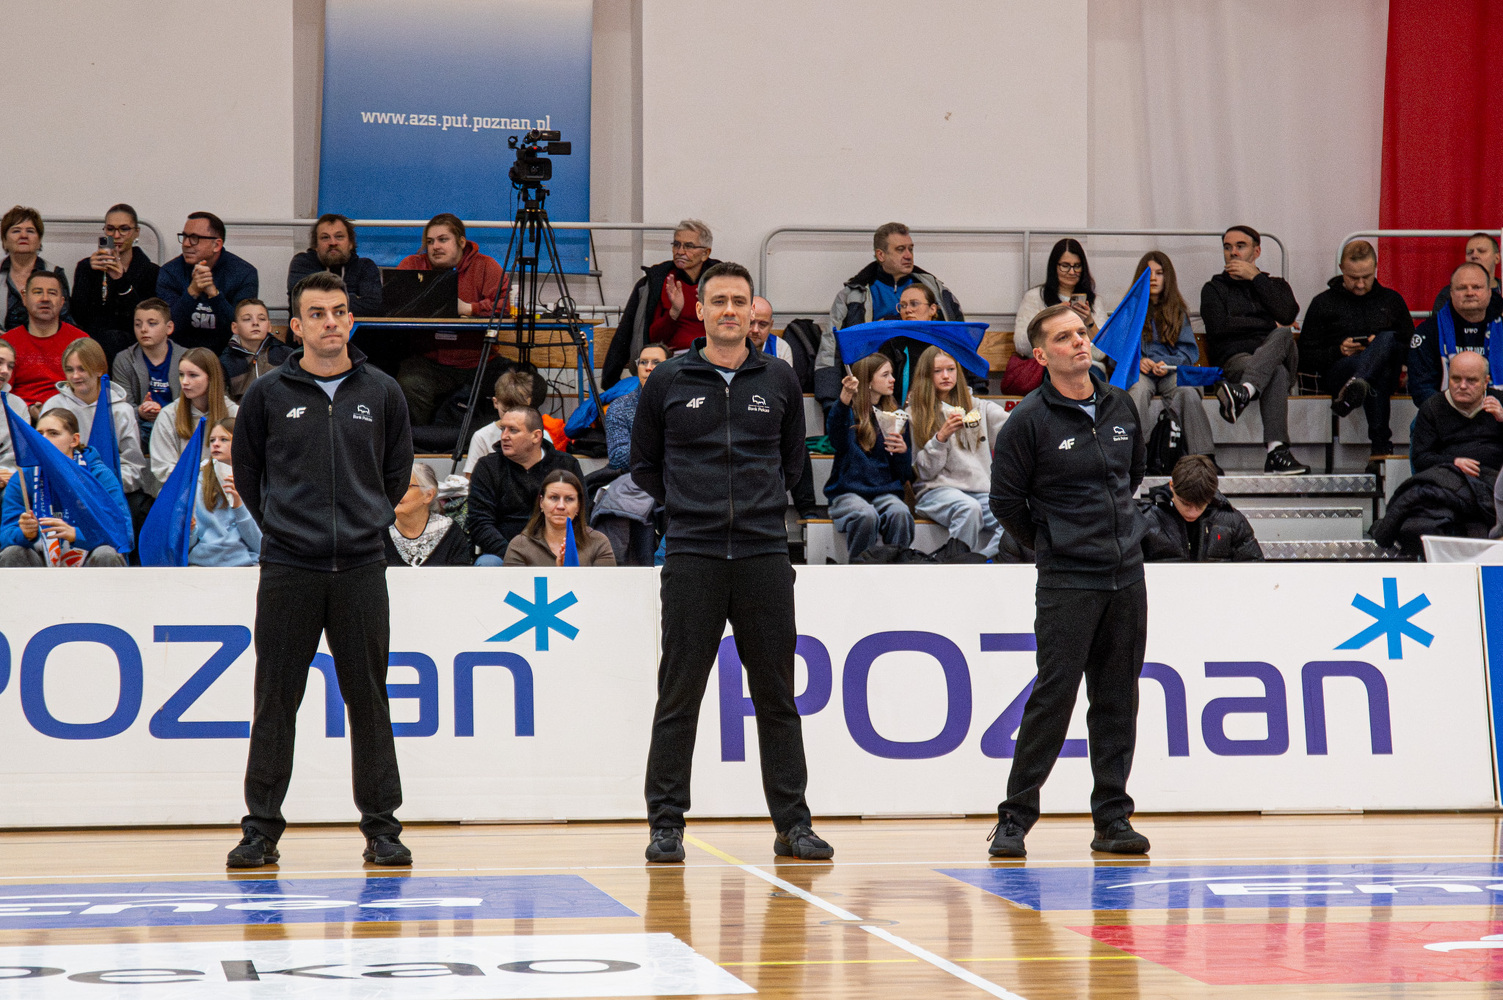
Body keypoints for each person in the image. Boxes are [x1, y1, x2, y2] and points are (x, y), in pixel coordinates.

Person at [631, 260, 830, 863]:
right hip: (692, 553)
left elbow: (792, 465)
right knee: (679, 694)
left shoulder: (778, 379)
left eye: (739, 302)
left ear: (752, 312)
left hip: (763, 553)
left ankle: (793, 825)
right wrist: (690, 507)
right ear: (700, 310)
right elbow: (645, 465)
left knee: (777, 696)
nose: (728, 311)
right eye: (718, 301)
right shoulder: (668, 379)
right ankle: (666, 825)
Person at [228, 270, 414, 869]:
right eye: (317, 313)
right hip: (289, 567)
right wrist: (286, 527)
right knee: (275, 700)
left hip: (362, 566)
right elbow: (249, 475)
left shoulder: (383, 392)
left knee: (370, 700)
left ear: (350, 320)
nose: (330, 322)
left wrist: (363, 522)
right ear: (297, 326)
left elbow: (395, 475)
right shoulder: (266, 394)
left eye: (338, 311)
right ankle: (260, 831)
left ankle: (383, 829)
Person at [987, 301, 1150, 859]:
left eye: (1082, 333)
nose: (1079, 342)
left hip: (1126, 575)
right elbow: (1006, 502)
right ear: (1041, 355)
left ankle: (1112, 819)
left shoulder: (1120, 404)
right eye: (1064, 337)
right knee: (1053, 698)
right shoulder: (1028, 420)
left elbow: (1132, 476)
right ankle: (1014, 819)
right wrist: (1054, 541)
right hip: (1067, 579)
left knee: (1117, 699)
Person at [816, 222, 969, 407]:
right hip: (869, 387)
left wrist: (975, 388)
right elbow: (830, 347)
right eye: (900, 249)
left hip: (928, 384)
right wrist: (830, 401)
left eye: (910, 249)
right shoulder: (853, 295)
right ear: (881, 255)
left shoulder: (936, 291)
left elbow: (962, 341)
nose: (908, 255)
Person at [1203, 225, 1308, 475]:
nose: (1233, 252)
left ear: (1257, 251)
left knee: (1283, 334)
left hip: (1279, 354)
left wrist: (1257, 279)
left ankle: (1243, 392)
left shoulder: (1276, 285)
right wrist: (1269, 323)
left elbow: (1287, 315)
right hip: (1238, 361)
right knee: (1276, 372)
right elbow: (1219, 327)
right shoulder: (1213, 289)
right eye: (1227, 247)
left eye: (1240, 246)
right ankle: (1276, 452)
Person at [1297, 240, 1413, 456]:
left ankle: (1358, 384)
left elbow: (1410, 347)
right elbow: (1305, 356)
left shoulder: (1392, 300)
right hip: (1341, 371)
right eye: (1353, 277)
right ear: (1341, 269)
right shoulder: (1323, 303)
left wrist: (1379, 347)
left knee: (1387, 339)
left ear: (1376, 267)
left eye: (1366, 277)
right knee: (1378, 371)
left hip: (1386, 372)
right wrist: (1339, 350)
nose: (1360, 284)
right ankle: (1380, 447)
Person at [394, 213, 508, 425]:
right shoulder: (412, 265)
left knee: (524, 384)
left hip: (479, 362)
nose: (435, 246)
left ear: (461, 242)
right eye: (430, 241)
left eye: (443, 239)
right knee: (409, 384)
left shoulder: (486, 266)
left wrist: (470, 308)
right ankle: (417, 441)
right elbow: (393, 304)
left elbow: (506, 306)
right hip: (429, 362)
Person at [908, 345, 1009, 557]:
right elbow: (924, 472)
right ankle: (957, 565)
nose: (946, 376)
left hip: (980, 490)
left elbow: (1015, 429)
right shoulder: (915, 413)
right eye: (937, 371)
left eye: (951, 369)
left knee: (1011, 514)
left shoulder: (979, 407)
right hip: (936, 491)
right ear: (926, 375)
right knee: (968, 509)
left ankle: (981, 560)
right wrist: (941, 438)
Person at [0, 409, 129, 567]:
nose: (43, 439)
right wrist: (25, 533)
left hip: (88, 559)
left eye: (53, 433)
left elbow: (123, 533)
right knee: (12, 552)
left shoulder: (99, 475)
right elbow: (5, 536)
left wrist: (77, 535)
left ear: (74, 440)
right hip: (40, 562)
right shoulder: (23, 476)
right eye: (39, 434)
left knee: (106, 553)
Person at [601, 221, 720, 388]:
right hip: (670, 363)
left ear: (705, 253)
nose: (680, 251)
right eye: (676, 244)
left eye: (688, 246)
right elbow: (648, 338)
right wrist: (674, 312)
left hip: (713, 362)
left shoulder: (722, 282)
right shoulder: (656, 282)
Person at [1124, 251, 1217, 464]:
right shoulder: (1130, 310)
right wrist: (1138, 361)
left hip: (1169, 372)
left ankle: (1203, 457)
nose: (1154, 278)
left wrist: (1168, 364)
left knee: (1188, 392)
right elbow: (1118, 353)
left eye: (1159, 273)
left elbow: (1189, 352)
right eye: (1149, 273)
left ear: (1168, 277)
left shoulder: (1177, 311)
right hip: (1141, 372)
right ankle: (1136, 458)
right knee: (1137, 391)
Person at [825, 353, 914, 559]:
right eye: (885, 375)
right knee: (866, 515)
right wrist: (845, 398)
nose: (893, 379)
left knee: (900, 513)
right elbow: (836, 439)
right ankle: (860, 569)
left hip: (885, 493)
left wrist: (902, 453)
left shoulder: (896, 416)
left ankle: (898, 568)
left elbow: (903, 475)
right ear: (868, 381)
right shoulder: (846, 413)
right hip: (847, 493)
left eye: (891, 374)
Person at [468, 405, 583, 565]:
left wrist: (557, 553)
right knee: (487, 563)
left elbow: (582, 515)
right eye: (503, 429)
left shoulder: (566, 464)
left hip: (557, 552)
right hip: (503, 555)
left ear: (536, 436)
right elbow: (479, 522)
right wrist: (514, 556)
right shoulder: (488, 466)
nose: (504, 436)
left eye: (513, 430)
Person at [39, 338, 148, 500]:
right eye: (69, 370)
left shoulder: (121, 411)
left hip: (109, 493)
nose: (75, 376)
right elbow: (43, 454)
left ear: (99, 370)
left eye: (82, 369)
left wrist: (103, 485)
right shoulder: (53, 406)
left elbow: (134, 467)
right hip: (62, 491)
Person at [1007, 238, 1108, 394]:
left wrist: (1088, 322)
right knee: (1056, 378)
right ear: (1054, 267)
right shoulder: (1035, 297)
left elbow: (1100, 354)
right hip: (1049, 365)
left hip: (1086, 367)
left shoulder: (1095, 302)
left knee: (1092, 378)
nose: (1072, 272)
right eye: (1065, 266)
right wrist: (1049, 317)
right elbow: (1022, 346)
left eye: (1077, 266)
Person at [69, 204, 160, 366]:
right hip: (95, 345)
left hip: (135, 345)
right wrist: (89, 273)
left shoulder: (151, 271)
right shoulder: (87, 267)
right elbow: (79, 315)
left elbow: (145, 318)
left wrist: (121, 280)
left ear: (136, 232)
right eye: (110, 229)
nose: (116, 235)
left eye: (124, 229)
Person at [156, 212, 259, 353]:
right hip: (179, 354)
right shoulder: (170, 272)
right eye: (184, 236)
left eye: (195, 238)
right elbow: (167, 326)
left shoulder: (244, 273)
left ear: (217, 245)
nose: (186, 244)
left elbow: (242, 327)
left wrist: (214, 295)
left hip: (228, 354)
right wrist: (192, 292)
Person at [1409, 262, 1503, 409]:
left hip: (1497, 410)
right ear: (1451, 292)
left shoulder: (1501, 328)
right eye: (1462, 288)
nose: (1469, 293)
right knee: (1421, 420)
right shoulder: (1428, 331)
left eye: (1476, 287)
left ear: (1489, 292)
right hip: (1443, 413)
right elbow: (1421, 388)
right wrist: (1454, 413)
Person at [1141, 454, 1261, 562]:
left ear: (1211, 496)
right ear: (1172, 486)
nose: (1192, 513)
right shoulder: (1145, 520)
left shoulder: (1233, 522)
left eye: (1201, 505)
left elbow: (1254, 569)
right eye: (1185, 504)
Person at [149, 348, 236, 492]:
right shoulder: (169, 415)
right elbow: (163, 468)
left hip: (225, 490)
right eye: (181, 375)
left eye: (193, 375)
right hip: (181, 493)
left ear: (211, 378)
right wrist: (202, 482)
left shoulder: (234, 413)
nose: (185, 382)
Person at [4, 271, 90, 413]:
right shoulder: (7, 344)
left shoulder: (81, 342)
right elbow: (3, 394)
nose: (45, 299)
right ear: (24, 298)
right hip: (19, 418)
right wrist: (28, 410)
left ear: (62, 302)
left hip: (71, 417)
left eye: (52, 293)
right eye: (38, 292)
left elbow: (89, 392)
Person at [1411, 351, 1503, 476]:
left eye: (1471, 380)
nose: (1463, 386)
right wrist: (1453, 463)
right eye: (1456, 379)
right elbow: (1420, 459)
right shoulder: (1432, 407)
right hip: (1448, 479)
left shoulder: (1500, 401)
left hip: (1495, 479)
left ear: (1485, 382)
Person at [504, 469, 616, 566]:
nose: (561, 506)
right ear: (541, 502)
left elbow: (605, 584)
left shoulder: (598, 542)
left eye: (569, 499)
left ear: (578, 506)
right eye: (554, 498)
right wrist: (558, 574)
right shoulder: (520, 545)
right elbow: (516, 585)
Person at [189, 418, 261, 567]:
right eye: (212, 440)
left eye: (224, 439)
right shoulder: (198, 482)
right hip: (201, 564)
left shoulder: (257, 480)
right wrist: (191, 530)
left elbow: (259, 544)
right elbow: (187, 545)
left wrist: (239, 505)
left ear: (241, 443)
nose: (216, 444)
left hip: (244, 565)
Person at [113, 299, 184, 448]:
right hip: (141, 426)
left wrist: (166, 413)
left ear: (169, 328)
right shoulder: (124, 359)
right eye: (138, 324)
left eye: (152, 323)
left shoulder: (186, 358)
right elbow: (122, 408)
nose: (144, 329)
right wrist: (140, 411)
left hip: (178, 424)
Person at [286, 214, 383, 316]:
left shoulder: (365, 267)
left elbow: (373, 308)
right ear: (316, 246)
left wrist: (323, 298)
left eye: (339, 236)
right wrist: (353, 298)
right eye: (325, 237)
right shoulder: (302, 263)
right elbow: (304, 303)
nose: (333, 242)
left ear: (350, 243)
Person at [463, 369, 550, 477]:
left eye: (518, 411)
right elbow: (471, 480)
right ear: (495, 402)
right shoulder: (481, 437)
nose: (511, 418)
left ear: (529, 402)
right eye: (506, 411)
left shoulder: (542, 435)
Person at [386, 461, 472, 567]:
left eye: (405, 486)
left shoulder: (450, 531)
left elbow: (460, 573)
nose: (395, 492)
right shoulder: (379, 530)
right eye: (392, 485)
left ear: (428, 495)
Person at [2, 206, 73, 332]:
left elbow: (64, 320)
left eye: (30, 231)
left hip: (46, 341)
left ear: (39, 240)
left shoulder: (54, 273)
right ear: (4, 241)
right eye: (16, 231)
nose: (23, 235)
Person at [220, 298, 292, 401]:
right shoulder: (225, 362)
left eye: (262, 319)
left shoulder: (287, 355)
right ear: (235, 327)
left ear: (269, 326)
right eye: (247, 319)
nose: (255, 323)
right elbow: (222, 401)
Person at [1432, 233, 1503, 313]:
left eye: (1481, 251)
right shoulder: (1448, 294)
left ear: (1497, 258)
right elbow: (1439, 320)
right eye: (1470, 252)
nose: (1474, 256)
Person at [0, 340, 32, 487]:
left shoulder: (17, 405)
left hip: (8, 480)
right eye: (0, 362)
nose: (5, 371)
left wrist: (8, 476)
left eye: (10, 366)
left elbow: (21, 455)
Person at [748, 296, 793, 364]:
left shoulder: (780, 348)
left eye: (762, 324)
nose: (755, 330)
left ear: (771, 325)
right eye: (750, 323)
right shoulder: (731, 346)